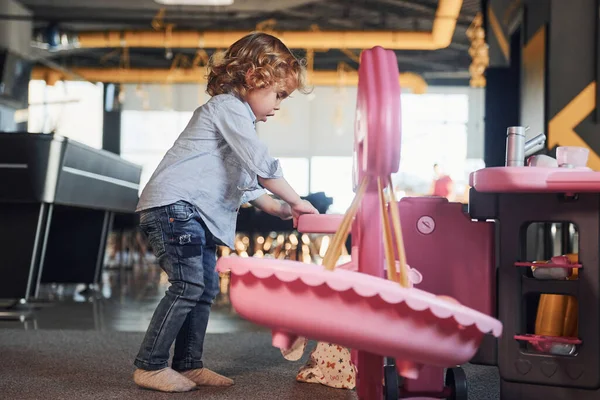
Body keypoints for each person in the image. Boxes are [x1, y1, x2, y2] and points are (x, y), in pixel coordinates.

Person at [132, 32, 319, 393]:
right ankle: (150, 365)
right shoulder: (228, 109)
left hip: (193, 212)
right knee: (187, 285)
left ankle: (189, 364)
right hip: (174, 206)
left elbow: (244, 180)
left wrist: (276, 206)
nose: (279, 105)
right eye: (278, 94)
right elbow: (260, 163)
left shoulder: (236, 120)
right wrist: (296, 199)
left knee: (202, 291)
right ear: (254, 79)